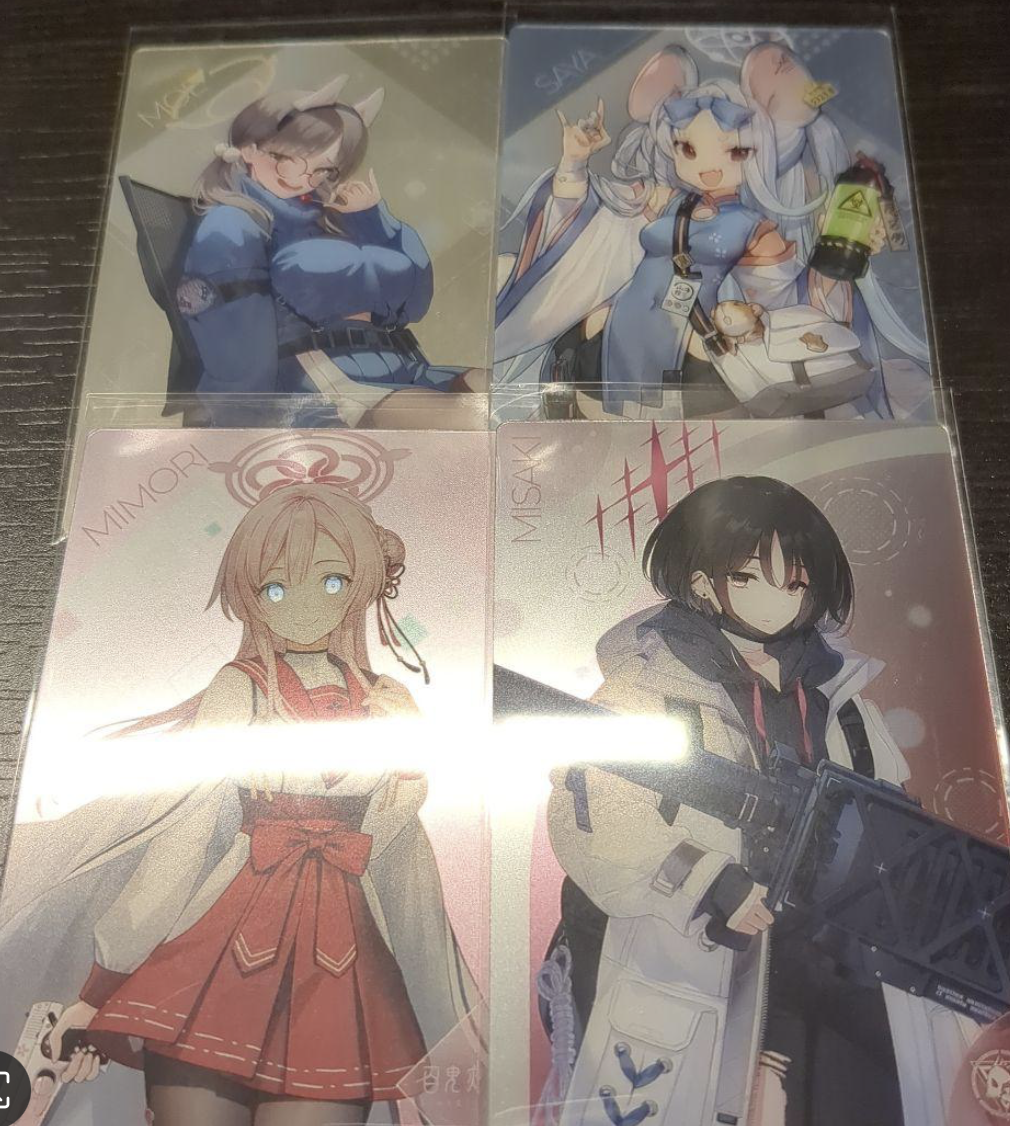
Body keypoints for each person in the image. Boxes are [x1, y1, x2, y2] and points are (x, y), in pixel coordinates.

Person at [0, 479, 481, 1125]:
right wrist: (101, 985)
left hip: (342, 958)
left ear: (364, 583)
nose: (304, 606)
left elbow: (396, 853)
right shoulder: (242, 688)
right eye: (275, 589)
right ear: (250, 594)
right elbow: (187, 828)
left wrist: (406, 762)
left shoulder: (388, 698)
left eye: (332, 582)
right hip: (220, 944)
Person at [545, 476, 972, 1126]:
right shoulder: (649, 687)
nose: (776, 600)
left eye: (794, 583)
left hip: (834, 946)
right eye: (748, 578)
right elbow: (593, 817)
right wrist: (709, 883)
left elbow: (892, 808)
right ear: (700, 582)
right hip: (700, 947)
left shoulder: (837, 693)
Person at [495, 44, 931, 421]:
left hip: (686, 339)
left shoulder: (752, 226)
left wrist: (837, 256)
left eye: (735, 151)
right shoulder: (667, 199)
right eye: (688, 148)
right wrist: (574, 162)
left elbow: (784, 297)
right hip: (620, 324)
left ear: (758, 153)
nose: (707, 167)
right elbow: (591, 211)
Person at [175, 75, 484, 426]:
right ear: (249, 149)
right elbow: (236, 343)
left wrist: (374, 219)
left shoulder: (327, 215)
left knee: (499, 391)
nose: (305, 179)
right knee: (469, 420)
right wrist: (246, 423)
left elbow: (412, 304)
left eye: (323, 169)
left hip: (394, 363)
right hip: (319, 387)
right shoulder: (231, 225)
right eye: (293, 159)